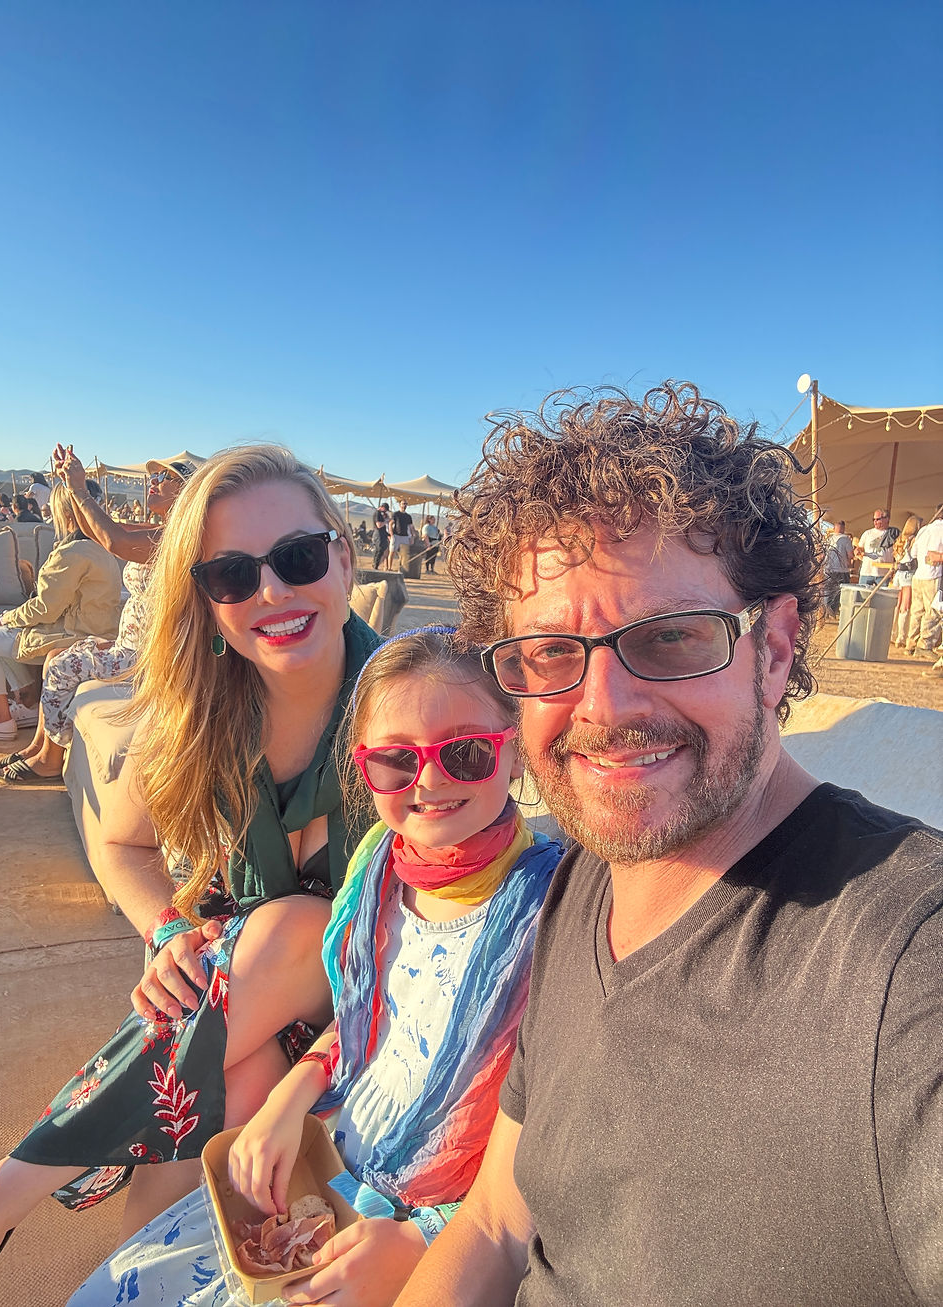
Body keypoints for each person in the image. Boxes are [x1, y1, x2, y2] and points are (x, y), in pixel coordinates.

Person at [394, 382, 943, 1307]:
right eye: (551, 653)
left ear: (773, 650)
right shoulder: (583, 884)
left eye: (675, 639)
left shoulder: (899, 968)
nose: (605, 709)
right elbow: (495, 1223)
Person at [0, 445, 382, 1304]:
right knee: (228, 1084)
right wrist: (167, 931)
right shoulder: (201, 711)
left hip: (364, 1017)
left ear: (342, 554)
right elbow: (123, 848)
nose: (271, 592)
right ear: (206, 598)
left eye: (298, 557)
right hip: (235, 1012)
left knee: (294, 927)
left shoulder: (411, 703)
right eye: (232, 575)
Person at [67, 628, 563, 1306]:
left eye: (467, 753)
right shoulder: (378, 870)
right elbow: (365, 1027)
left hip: (439, 1227)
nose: (431, 782)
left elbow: (553, 1132)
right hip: (335, 1163)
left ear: (514, 752)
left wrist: (424, 1239)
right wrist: (287, 1101)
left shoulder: (553, 911)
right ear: (363, 768)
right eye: (396, 761)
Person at [0, 451, 193, 783]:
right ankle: (40, 746)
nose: (153, 483)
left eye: (162, 478)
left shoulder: (176, 538)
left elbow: (115, 540)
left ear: (186, 492)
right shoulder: (162, 530)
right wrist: (71, 486)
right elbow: (100, 532)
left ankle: (52, 760)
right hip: (133, 643)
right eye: (152, 477)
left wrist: (81, 490)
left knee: (62, 665)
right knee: (56, 654)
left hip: (150, 655)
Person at [0, 483, 123, 742]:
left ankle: (0, 720)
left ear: (66, 514)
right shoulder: (101, 550)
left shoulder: (72, 553)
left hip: (70, 633)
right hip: (92, 629)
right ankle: (27, 708)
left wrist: (6, 616)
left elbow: (45, 609)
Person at [904, 503, 943, 659]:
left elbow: (913, 553)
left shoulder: (924, 530)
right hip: (933, 576)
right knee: (933, 612)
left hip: (918, 575)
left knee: (916, 612)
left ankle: (911, 644)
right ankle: (925, 645)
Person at [889, 514, 921, 647]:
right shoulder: (914, 540)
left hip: (898, 574)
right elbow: (915, 556)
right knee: (905, 607)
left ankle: (893, 633)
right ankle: (901, 637)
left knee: (897, 606)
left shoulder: (900, 540)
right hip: (908, 574)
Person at [854, 506, 898, 587]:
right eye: (873, 519)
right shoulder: (867, 533)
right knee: (861, 596)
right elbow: (859, 548)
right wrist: (857, 551)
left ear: (886, 519)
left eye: (878, 519)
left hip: (884, 574)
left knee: (881, 598)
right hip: (867, 572)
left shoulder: (893, 534)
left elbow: (898, 552)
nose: (875, 522)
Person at [822, 519, 853, 620]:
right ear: (843, 528)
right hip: (841, 569)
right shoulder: (846, 539)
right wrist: (849, 562)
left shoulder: (828, 539)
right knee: (840, 592)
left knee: (828, 591)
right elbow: (850, 555)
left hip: (828, 568)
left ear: (834, 528)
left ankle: (826, 612)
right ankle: (833, 612)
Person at [388, 500, 414, 572]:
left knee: (404, 553)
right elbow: (390, 523)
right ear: (400, 505)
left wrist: (412, 536)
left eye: (405, 504)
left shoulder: (408, 516)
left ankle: (402, 568)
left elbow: (411, 527)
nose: (404, 505)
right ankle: (389, 567)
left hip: (405, 536)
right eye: (403, 504)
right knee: (392, 551)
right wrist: (391, 534)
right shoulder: (396, 514)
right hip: (396, 535)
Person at [373, 502, 391, 569]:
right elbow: (379, 525)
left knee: (382, 548)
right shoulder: (377, 514)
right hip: (379, 534)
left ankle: (376, 564)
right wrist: (386, 521)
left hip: (382, 534)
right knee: (380, 549)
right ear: (382, 507)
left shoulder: (380, 514)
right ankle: (375, 564)